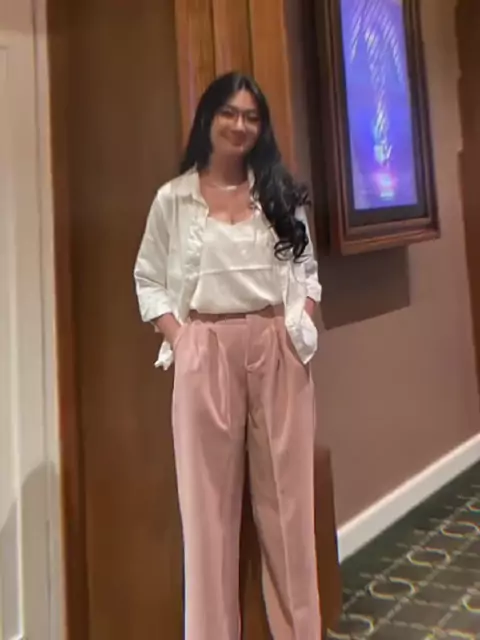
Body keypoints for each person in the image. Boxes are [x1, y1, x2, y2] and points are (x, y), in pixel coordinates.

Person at [134, 71, 322, 640]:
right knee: (207, 513)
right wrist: (181, 338)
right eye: (229, 113)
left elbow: (308, 272)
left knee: (290, 509)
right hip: (205, 350)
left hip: (275, 347)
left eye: (252, 117)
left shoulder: (279, 194)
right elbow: (148, 278)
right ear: (208, 118)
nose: (240, 125)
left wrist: (297, 328)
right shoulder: (174, 199)